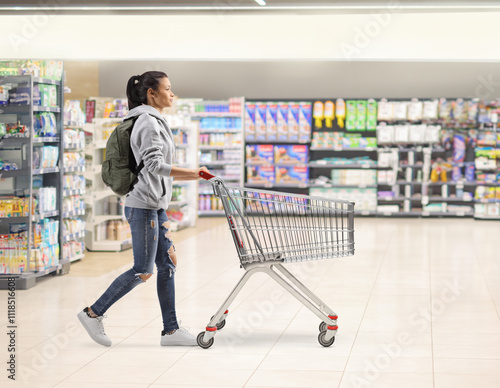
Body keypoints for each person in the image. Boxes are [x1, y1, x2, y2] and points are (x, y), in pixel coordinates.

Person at [77, 71, 209, 347]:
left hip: (154, 206)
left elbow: (161, 171)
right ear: (152, 93)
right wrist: (194, 173)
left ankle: (171, 332)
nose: (172, 94)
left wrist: (195, 175)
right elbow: (154, 166)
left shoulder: (152, 120)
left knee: (168, 265)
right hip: (144, 206)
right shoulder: (147, 122)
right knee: (142, 269)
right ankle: (93, 313)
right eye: (168, 89)